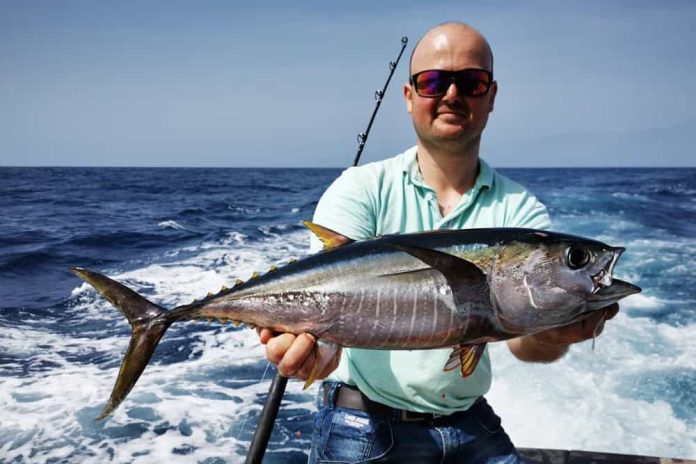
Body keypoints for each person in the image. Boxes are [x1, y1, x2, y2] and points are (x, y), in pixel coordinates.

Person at [258, 22, 619, 463]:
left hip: (470, 422)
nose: (451, 94)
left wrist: (557, 332)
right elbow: (330, 301)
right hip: (361, 422)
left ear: (491, 96)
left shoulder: (522, 212)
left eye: (471, 81)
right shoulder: (361, 188)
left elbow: (525, 342)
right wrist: (313, 351)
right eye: (432, 82)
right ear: (409, 97)